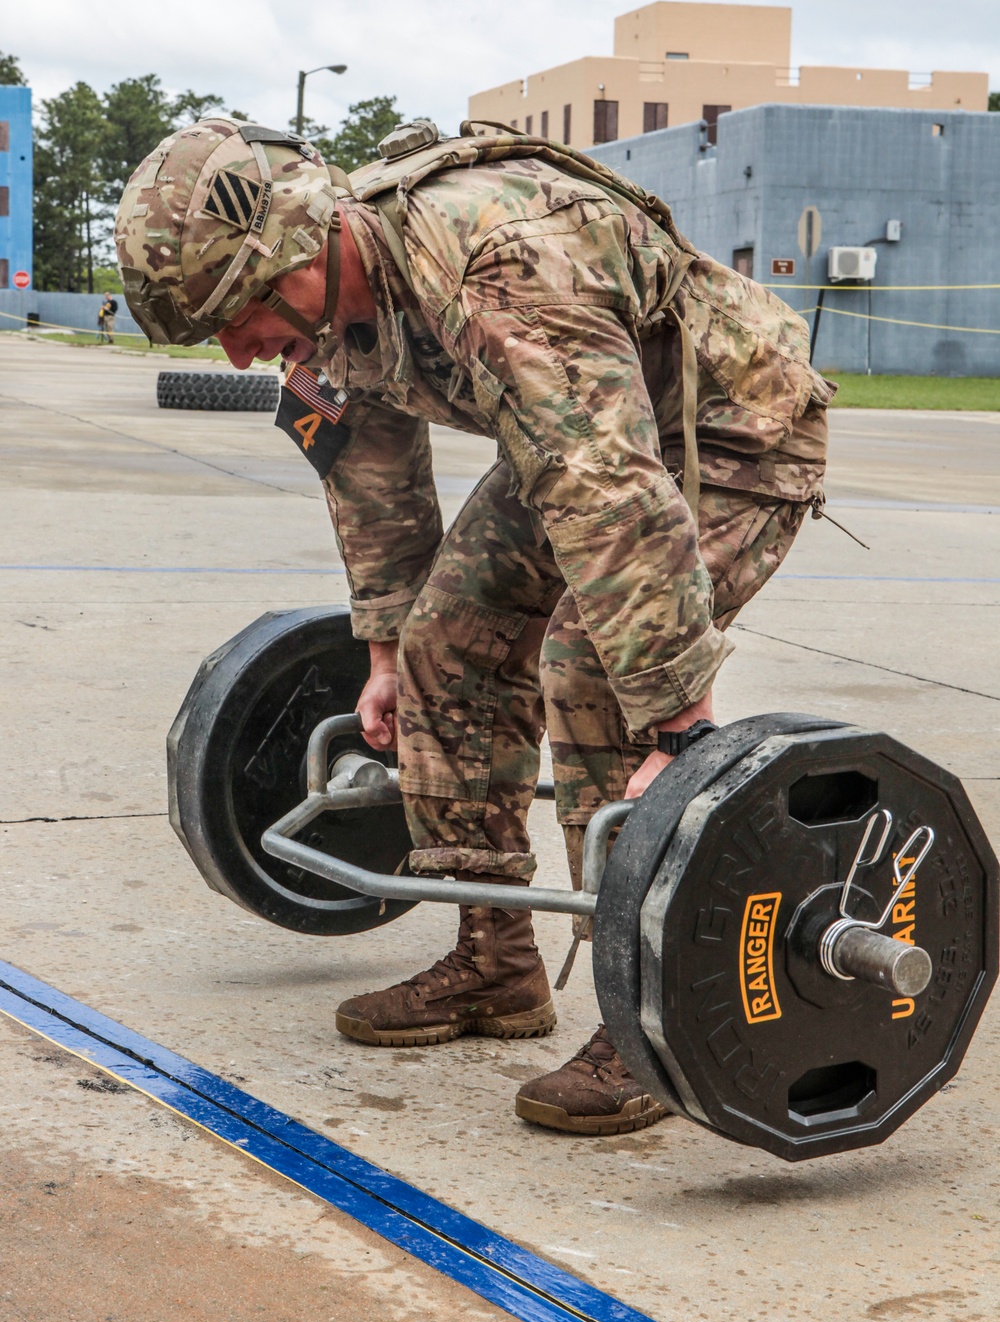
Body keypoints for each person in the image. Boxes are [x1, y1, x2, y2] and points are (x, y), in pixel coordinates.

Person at [116, 118, 832, 1136]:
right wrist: (383, 652)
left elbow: (610, 490)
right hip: (579, 427)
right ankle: (494, 962)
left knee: (593, 659)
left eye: (239, 312)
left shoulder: (503, 265)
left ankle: (648, 1009)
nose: (236, 349)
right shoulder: (334, 299)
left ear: (297, 246)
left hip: (728, 432)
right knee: (445, 639)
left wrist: (677, 724)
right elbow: (372, 479)